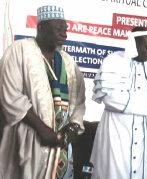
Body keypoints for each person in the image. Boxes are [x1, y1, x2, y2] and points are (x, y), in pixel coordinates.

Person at [0, 5, 86, 179]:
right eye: (59, 29)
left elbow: (79, 101)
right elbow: (10, 94)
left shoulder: (68, 62)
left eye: (66, 30)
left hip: (61, 147)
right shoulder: (19, 50)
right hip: (29, 138)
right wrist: (43, 130)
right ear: (41, 27)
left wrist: (74, 127)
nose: (65, 34)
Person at [90, 26, 147, 179]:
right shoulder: (112, 62)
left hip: (144, 137)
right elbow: (110, 98)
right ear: (134, 43)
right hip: (116, 134)